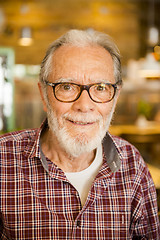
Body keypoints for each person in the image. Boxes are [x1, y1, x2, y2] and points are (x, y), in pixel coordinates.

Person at [0, 29, 159, 240]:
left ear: (115, 96)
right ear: (43, 94)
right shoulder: (2, 160)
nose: (84, 106)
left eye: (101, 88)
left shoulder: (133, 165)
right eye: (67, 86)